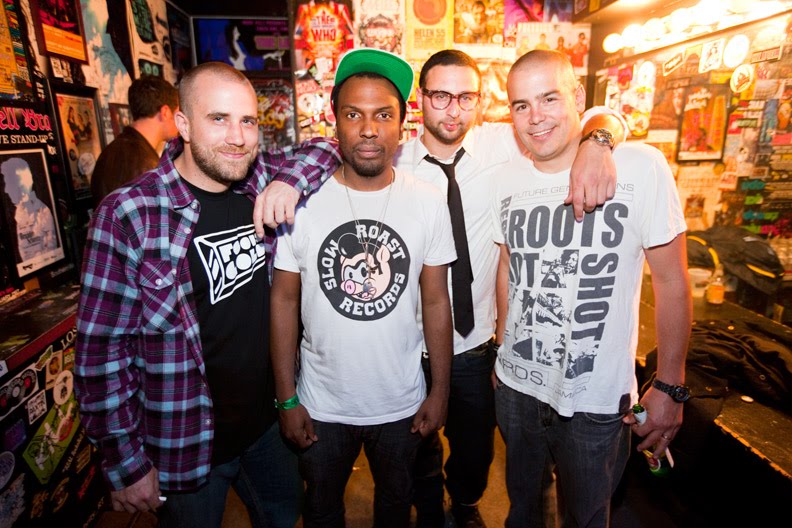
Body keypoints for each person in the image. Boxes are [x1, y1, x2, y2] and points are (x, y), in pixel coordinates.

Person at [75, 62, 342, 528]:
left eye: (248, 121)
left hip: (268, 427)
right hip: (185, 444)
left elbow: (327, 147)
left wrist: (289, 181)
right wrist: (125, 464)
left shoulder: (259, 177)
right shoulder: (130, 214)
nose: (237, 137)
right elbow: (101, 355)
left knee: (284, 517)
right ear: (182, 124)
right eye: (218, 119)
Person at [392, 49, 626, 528]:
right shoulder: (396, 162)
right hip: (410, 343)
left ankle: (465, 504)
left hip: (478, 343)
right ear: (421, 99)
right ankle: (429, 512)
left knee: (476, 449)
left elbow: (597, 114)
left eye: (466, 97)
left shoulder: (505, 142)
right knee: (416, 446)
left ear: (481, 101)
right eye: (440, 96)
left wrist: (598, 143)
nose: (453, 110)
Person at [492, 50, 691, 528]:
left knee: (587, 517)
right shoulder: (506, 178)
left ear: (578, 97)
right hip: (517, 390)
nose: (535, 117)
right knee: (524, 511)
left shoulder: (640, 167)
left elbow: (672, 281)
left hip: (596, 401)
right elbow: (507, 265)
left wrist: (670, 384)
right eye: (521, 105)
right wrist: (501, 349)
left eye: (549, 98)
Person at [270, 48, 456, 528]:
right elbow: (283, 300)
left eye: (383, 115)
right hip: (321, 404)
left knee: (395, 508)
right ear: (335, 122)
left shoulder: (427, 201)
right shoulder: (302, 202)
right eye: (354, 114)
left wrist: (440, 391)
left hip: (401, 403)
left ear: (402, 124)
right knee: (322, 510)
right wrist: (286, 398)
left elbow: (437, 300)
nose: (369, 129)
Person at [90, 76, 179, 207]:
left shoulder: (112, 151)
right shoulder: (145, 164)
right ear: (165, 112)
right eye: (177, 113)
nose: (180, 121)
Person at [1, 157, 58, 262]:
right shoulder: (18, 213)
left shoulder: (42, 211)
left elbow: (50, 251)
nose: (6, 189)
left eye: (8, 183)